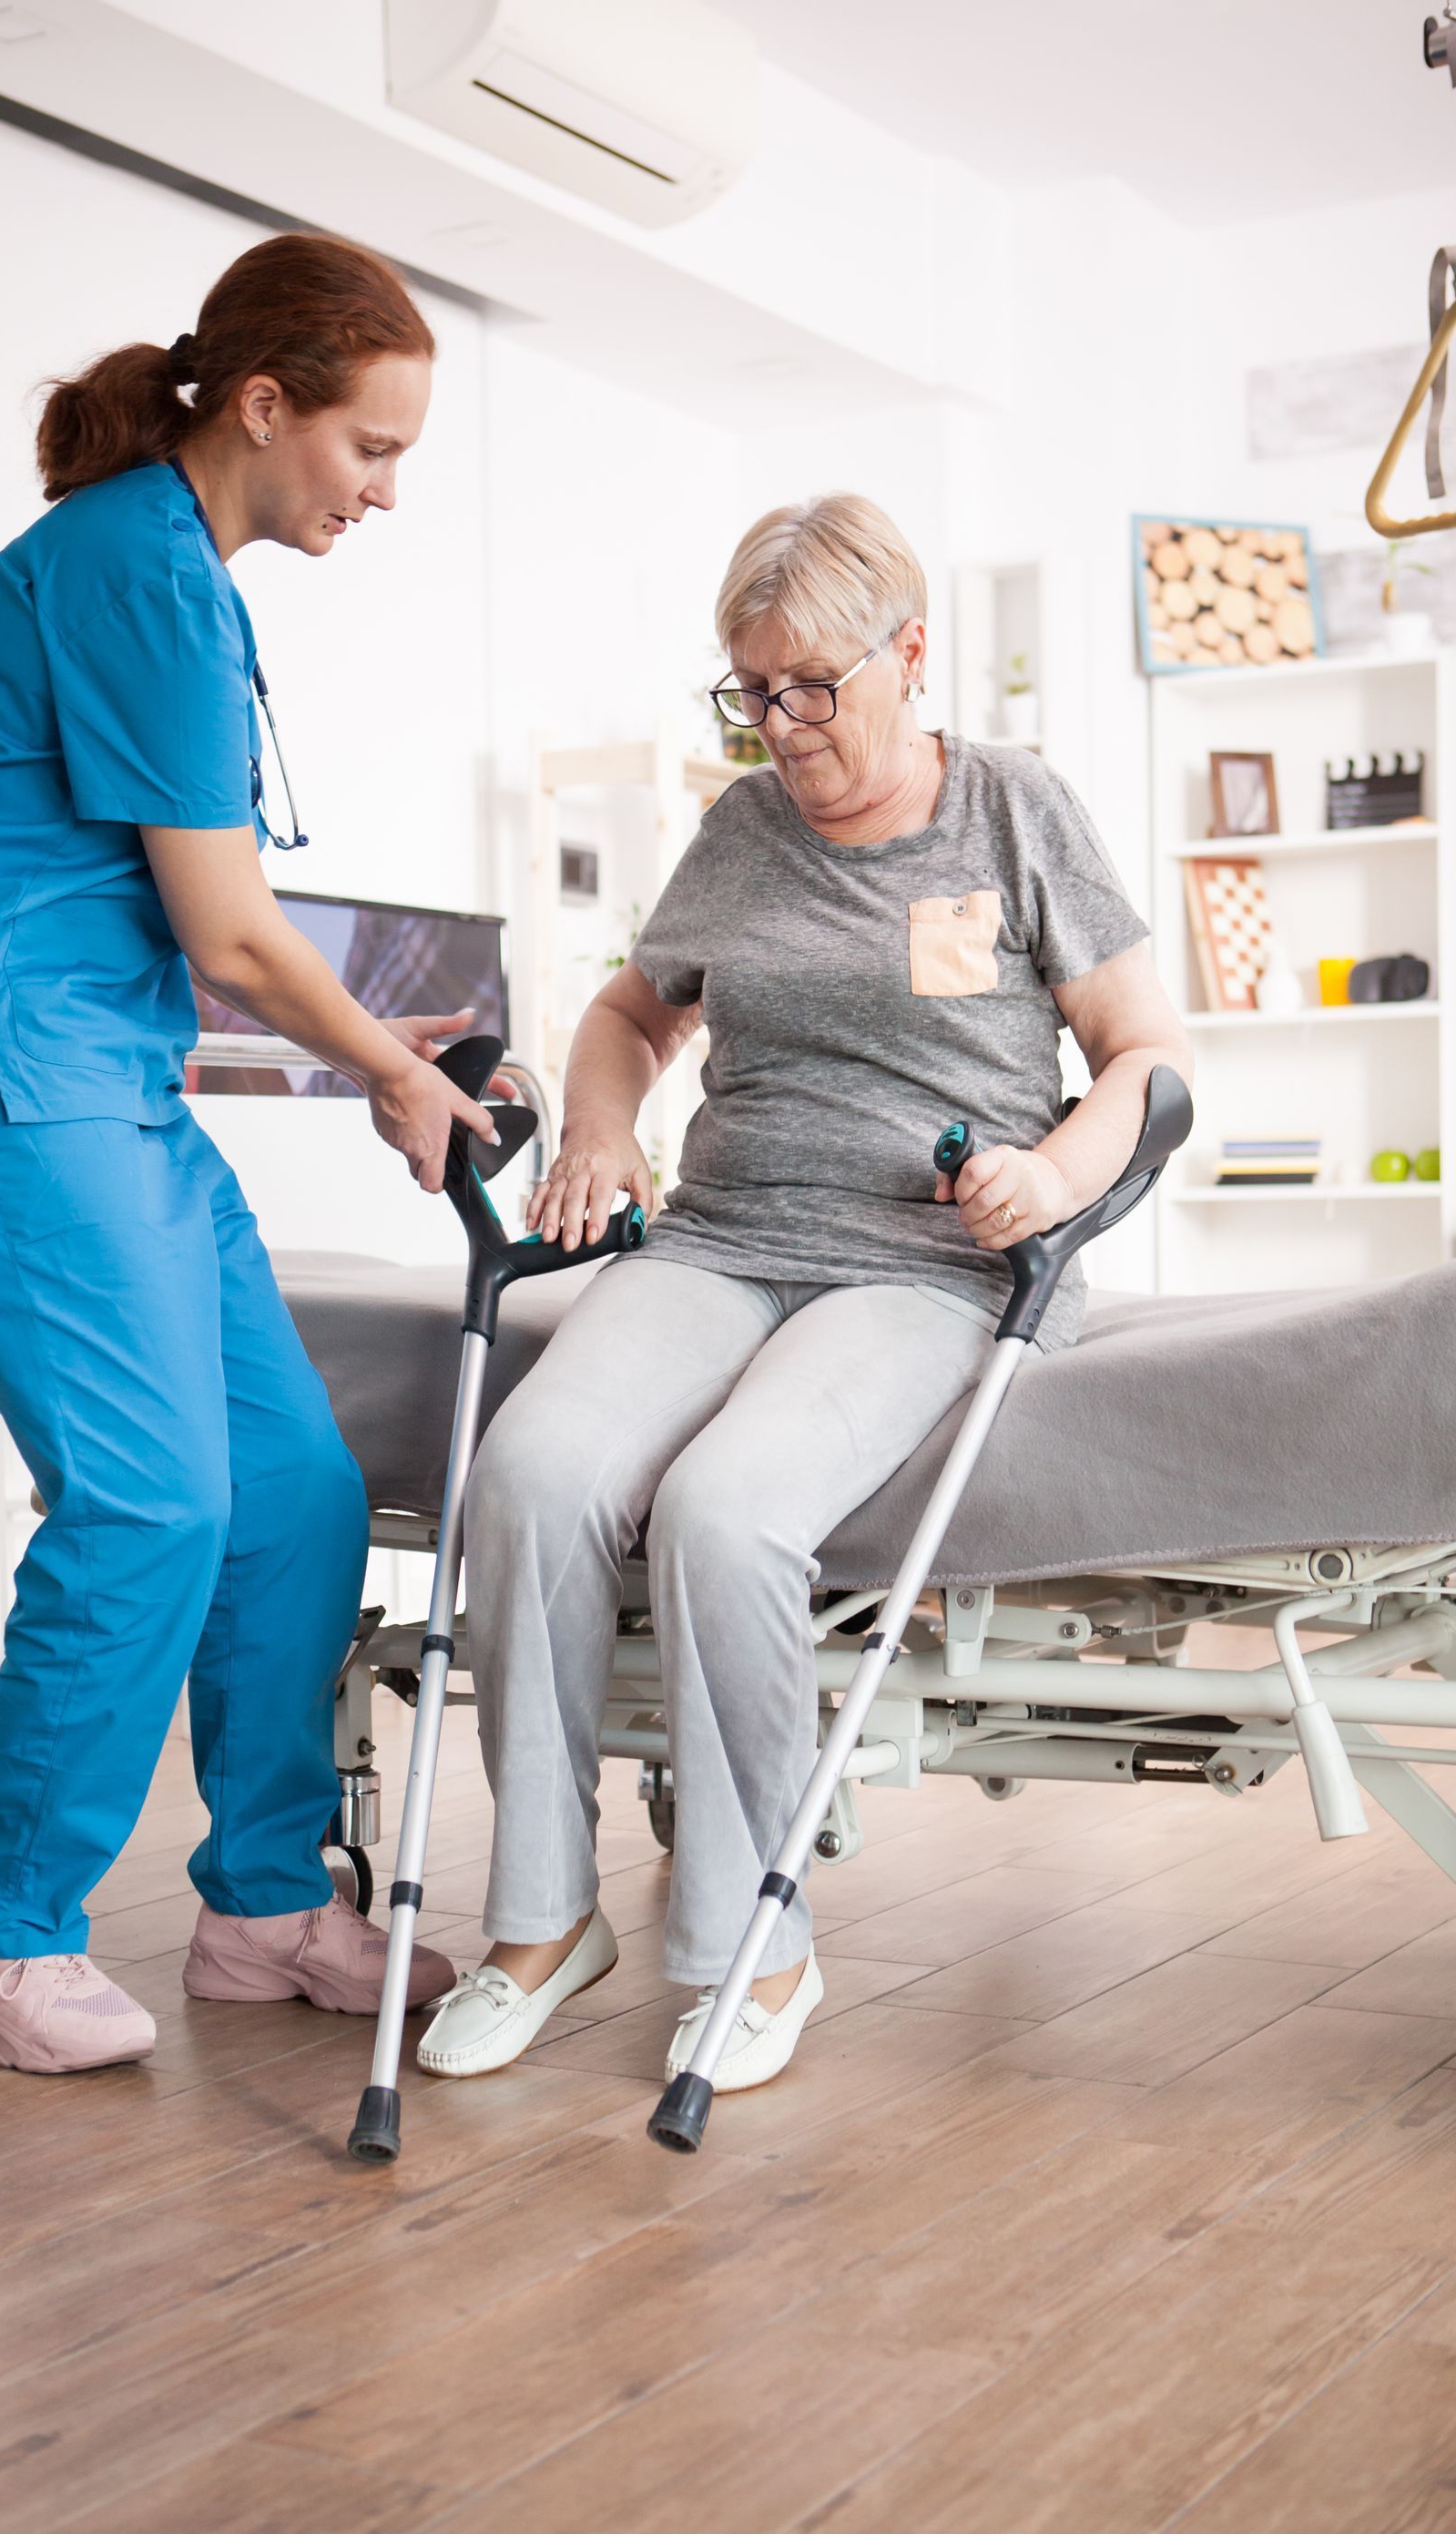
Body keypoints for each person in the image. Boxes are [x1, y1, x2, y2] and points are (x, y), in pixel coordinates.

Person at [416, 494, 1192, 2095]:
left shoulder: (1015, 810)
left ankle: (751, 1944)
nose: (779, 726)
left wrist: (1052, 1176)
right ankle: (544, 1922)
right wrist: (606, 1126)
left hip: (926, 1258)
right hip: (719, 1237)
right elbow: (631, 1016)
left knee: (727, 1511)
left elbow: (1145, 1056)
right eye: (751, 692)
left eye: (812, 688)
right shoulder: (740, 831)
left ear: (912, 653)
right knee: (532, 1472)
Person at [0, 232, 471, 2074]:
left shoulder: (178, 572)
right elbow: (230, 933)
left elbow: (204, 920)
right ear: (263, 406)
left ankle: (263, 1908)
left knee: (293, 1491)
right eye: (371, 448)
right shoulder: (134, 566)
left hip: (102, 1079)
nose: (386, 491)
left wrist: (378, 1041)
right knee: (151, 1498)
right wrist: (389, 1074)